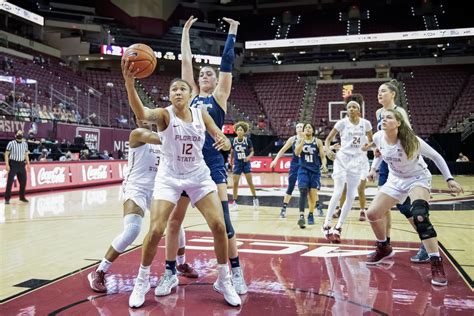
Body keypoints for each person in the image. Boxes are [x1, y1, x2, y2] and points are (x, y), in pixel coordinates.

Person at [123, 62, 240, 307]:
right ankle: (142, 281)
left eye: (182, 89)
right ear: (170, 95)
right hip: (169, 177)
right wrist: (130, 84)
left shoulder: (201, 113)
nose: (177, 92)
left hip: (198, 175)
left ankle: (224, 279)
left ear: (190, 95)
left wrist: (225, 143)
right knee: (156, 230)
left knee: (219, 225)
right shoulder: (165, 114)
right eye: (174, 89)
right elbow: (143, 114)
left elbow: (221, 137)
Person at [154, 15, 248, 297]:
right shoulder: (190, 95)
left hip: (212, 163)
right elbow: (186, 61)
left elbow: (228, 62)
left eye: (209, 74)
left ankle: (235, 273)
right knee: (173, 221)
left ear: (217, 80)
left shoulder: (219, 95)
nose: (204, 76)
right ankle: (170, 272)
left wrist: (233, 30)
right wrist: (184, 32)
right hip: (185, 164)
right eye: (202, 74)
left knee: (224, 224)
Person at [365, 109, 463, 287]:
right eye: (382, 117)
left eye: (389, 117)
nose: (384, 120)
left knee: (419, 215)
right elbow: (379, 153)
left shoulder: (411, 140)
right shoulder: (379, 136)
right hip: (395, 180)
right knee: (372, 214)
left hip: (417, 178)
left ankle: (436, 261)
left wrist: (449, 179)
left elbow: (436, 156)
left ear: (399, 123)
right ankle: (384, 247)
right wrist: (373, 169)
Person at [87, 118, 163, 293]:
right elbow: (163, 139)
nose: (145, 117)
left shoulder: (161, 137)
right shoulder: (137, 134)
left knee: (175, 226)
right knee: (133, 230)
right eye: (141, 114)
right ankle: (99, 271)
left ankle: (180, 265)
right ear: (137, 118)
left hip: (157, 188)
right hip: (136, 188)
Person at [375, 79, 427, 263]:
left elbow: (408, 139)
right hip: (386, 163)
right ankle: (385, 243)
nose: (379, 94)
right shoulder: (379, 113)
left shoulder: (400, 112)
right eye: (378, 92)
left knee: (405, 207)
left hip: (402, 163)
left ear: (393, 94)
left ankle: (425, 243)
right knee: (382, 207)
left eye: (383, 91)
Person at [323, 94, 373, 243]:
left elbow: (372, 141)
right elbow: (327, 140)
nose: (351, 109)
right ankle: (326, 224)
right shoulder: (342, 123)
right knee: (338, 191)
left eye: (354, 107)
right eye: (349, 107)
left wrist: (369, 146)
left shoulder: (366, 124)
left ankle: (338, 227)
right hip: (342, 159)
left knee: (352, 195)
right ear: (346, 110)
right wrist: (328, 150)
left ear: (359, 110)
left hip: (357, 161)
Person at [270, 123, 319, 219]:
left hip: (307, 166)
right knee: (291, 186)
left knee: (312, 188)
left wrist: (330, 148)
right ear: (295, 130)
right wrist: (275, 160)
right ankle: (283, 208)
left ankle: (317, 206)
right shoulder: (292, 139)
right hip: (295, 165)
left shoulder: (310, 139)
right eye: (297, 127)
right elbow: (282, 150)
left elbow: (320, 148)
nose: (299, 128)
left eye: (301, 127)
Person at [294, 123, 327, 229]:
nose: (307, 129)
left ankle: (311, 214)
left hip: (315, 171)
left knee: (312, 195)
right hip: (303, 169)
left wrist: (324, 165)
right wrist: (302, 140)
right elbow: (296, 153)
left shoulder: (317, 141)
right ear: (303, 131)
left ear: (313, 130)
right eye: (306, 128)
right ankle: (301, 216)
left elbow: (322, 156)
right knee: (303, 190)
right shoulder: (300, 140)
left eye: (309, 127)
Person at [229, 121, 259, 211]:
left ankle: (255, 198)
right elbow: (232, 152)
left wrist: (248, 157)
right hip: (237, 164)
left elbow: (252, 151)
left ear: (244, 131)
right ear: (236, 131)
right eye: (238, 130)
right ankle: (235, 202)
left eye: (241, 130)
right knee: (235, 183)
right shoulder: (233, 140)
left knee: (250, 183)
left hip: (246, 163)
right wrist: (231, 161)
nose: (239, 131)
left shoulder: (247, 140)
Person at [4, 130, 30, 205]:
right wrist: (7, 165)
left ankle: (22, 197)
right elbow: (6, 154)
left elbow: (26, 155)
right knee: (10, 182)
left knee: (23, 182)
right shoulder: (11, 143)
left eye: (21, 133)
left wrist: (28, 164)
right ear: (15, 135)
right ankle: (7, 198)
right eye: (18, 133)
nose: (20, 134)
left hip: (22, 164)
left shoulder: (25, 144)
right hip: (13, 164)